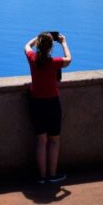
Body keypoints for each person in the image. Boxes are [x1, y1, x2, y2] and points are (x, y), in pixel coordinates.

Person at [24, 31, 72, 184]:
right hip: (52, 104)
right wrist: (63, 42)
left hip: (36, 103)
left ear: (38, 45)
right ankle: (52, 175)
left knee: (41, 141)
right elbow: (69, 59)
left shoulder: (33, 59)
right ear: (51, 48)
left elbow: (26, 46)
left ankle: (42, 177)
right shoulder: (55, 62)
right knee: (54, 141)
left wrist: (36, 38)